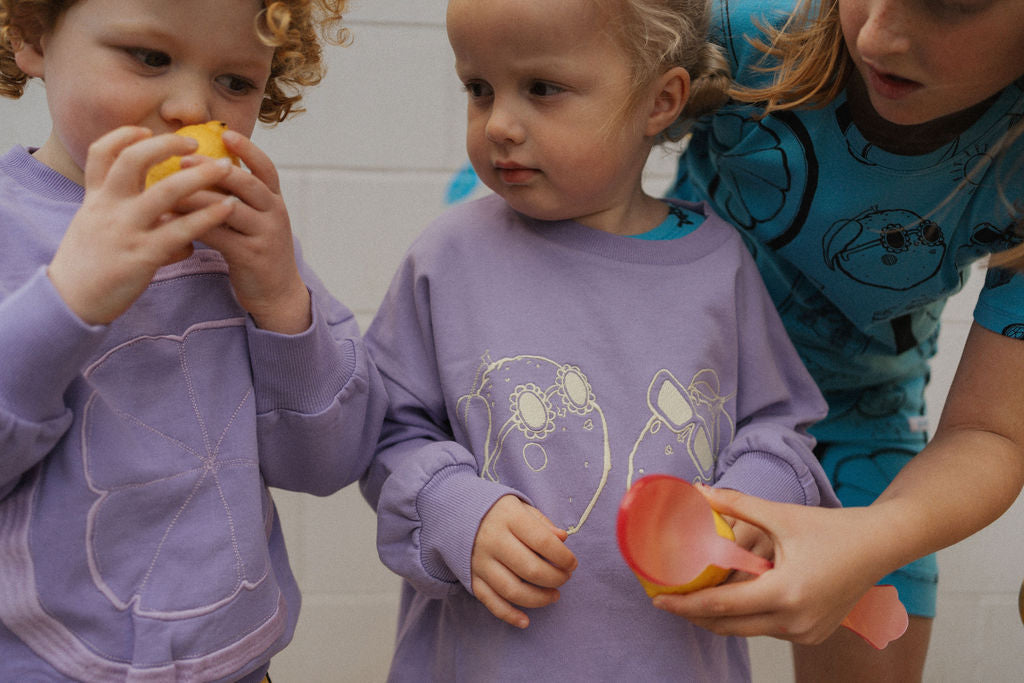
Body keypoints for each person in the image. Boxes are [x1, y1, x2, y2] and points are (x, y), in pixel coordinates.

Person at [359, 0, 842, 680]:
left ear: (659, 101)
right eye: (479, 89)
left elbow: (780, 428)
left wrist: (745, 507)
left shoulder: (718, 265)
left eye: (542, 89)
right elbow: (384, 431)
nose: (498, 123)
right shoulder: (450, 257)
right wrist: (454, 507)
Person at [0, 0, 387, 680]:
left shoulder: (241, 236)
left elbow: (328, 461)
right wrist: (68, 300)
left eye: (235, 82)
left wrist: (279, 299)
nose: (190, 109)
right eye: (151, 58)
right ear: (34, 37)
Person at [659, 0, 1024, 680]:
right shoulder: (746, 28)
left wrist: (866, 540)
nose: (878, 36)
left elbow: (993, 433)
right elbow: (567, 125)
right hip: (672, 382)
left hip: (858, 413)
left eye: (949, 4)